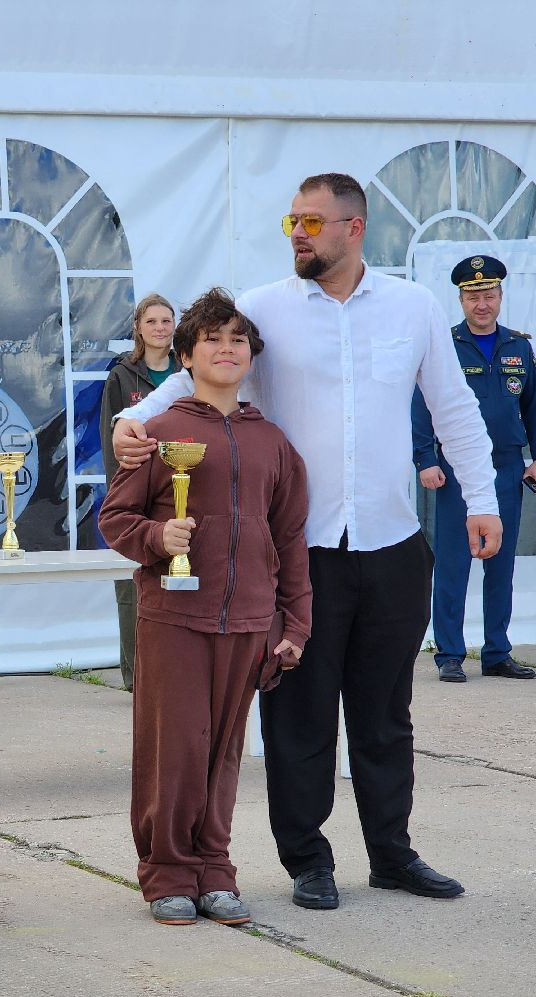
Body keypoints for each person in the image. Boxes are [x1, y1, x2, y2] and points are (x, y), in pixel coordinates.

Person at [114, 173, 501, 911]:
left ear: (354, 228)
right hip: (301, 551)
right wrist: (129, 424)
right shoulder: (263, 308)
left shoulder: (413, 307)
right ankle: (307, 861)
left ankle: (392, 854)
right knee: (299, 716)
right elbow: (192, 374)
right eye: (292, 220)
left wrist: (481, 500)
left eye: (313, 222)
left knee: (385, 715)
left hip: (393, 543)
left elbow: (453, 408)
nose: (297, 232)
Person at [99, 288, 311, 926]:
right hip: (173, 618)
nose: (226, 349)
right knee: (174, 749)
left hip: (248, 621)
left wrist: (295, 623)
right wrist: (157, 538)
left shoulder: (273, 442)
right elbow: (115, 518)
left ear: (251, 356)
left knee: (224, 751)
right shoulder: (159, 434)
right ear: (185, 356)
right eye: (211, 340)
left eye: (238, 340)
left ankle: (215, 869)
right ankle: (167, 871)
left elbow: (289, 538)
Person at [412, 256, 536, 683]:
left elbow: (534, 406)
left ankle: (496, 652)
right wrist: (426, 459)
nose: (482, 304)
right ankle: (449, 653)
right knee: (453, 564)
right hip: (457, 468)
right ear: (461, 300)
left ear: (500, 296)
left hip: (507, 466)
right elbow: (422, 404)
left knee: (501, 563)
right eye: (473, 296)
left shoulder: (518, 346)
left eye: (489, 295)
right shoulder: (446, 345)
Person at [99, 294, 178, 691]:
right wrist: (125, 496)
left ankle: (175, 670)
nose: (160, 328)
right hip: (137, 494)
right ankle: (136, 675)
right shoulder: (121, 376)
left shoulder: (189, 372)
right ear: (138, 329)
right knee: (132, 584)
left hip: (180, 492)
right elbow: (109, 441)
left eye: (166, 321)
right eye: (152, 321)